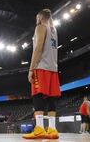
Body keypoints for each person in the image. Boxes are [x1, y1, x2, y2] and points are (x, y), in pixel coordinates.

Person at [23, 9, 60, 140]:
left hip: (41, 67)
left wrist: (31, 69)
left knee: (37, 95)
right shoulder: (54, 31)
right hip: (53, 69)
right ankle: (52, 129)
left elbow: (38, 49)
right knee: (51, 98)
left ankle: (39, 129)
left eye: (37, 16)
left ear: (41, 17)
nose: (36, 19)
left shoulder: (40, 27)